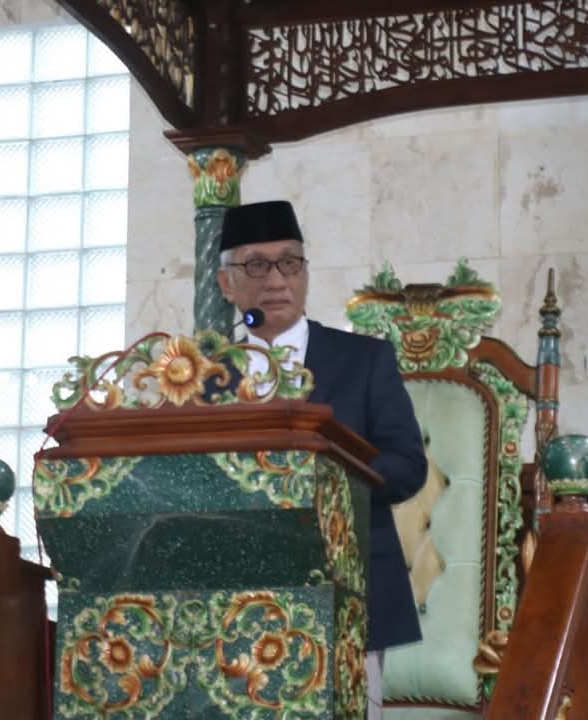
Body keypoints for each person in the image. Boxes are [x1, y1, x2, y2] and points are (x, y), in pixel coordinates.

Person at [217, 199, 426, 719]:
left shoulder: (364, 360)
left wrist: (332, 480)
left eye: (290, 263)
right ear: (227, 285)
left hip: (350, 591)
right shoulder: (203, 374)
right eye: (256, 266)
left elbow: (407, 464)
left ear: (305, 275)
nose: (276, 280)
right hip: (234, 599)